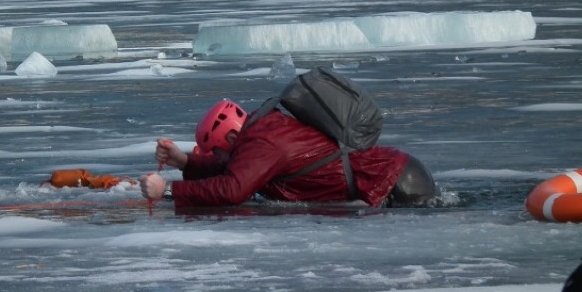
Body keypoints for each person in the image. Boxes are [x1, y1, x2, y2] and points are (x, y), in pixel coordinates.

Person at [140, 99, 436, 209]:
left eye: (216, 149)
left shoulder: (263, 143)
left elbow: (233, 189)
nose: (217, 156)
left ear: (231, 135)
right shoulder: (259, 131)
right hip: (397, 175)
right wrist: (185, 161)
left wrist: (166, 191)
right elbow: (231, 167)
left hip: (398, 181)